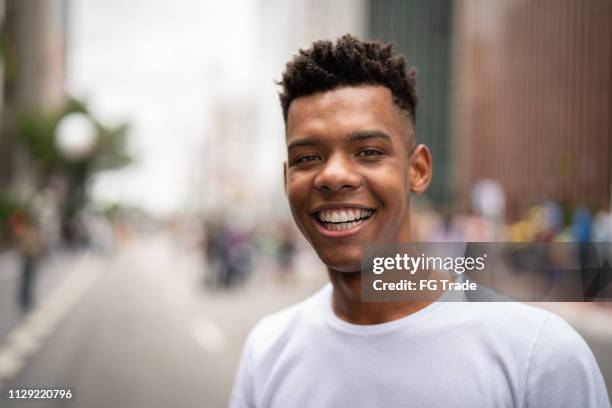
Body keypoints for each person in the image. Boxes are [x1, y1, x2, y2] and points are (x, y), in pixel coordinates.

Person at [229, 34, 610, 407]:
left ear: (418, 170)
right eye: (307, 157)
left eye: (368, 151)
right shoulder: (266, 351)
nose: (333, 176)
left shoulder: (538, 357)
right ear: (286, 179)